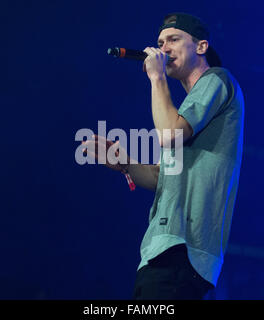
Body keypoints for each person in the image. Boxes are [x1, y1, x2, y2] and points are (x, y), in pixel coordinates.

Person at [82, 12, 244, 299]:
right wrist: (127, 164)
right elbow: (161, 177)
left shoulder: (217, 80)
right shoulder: (185, 112)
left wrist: (156, 78)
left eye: (173, 39)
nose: (163, 48)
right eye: (159, 42)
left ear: (201, 47)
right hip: (161, 251)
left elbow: (169, 134)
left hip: (184, 250)